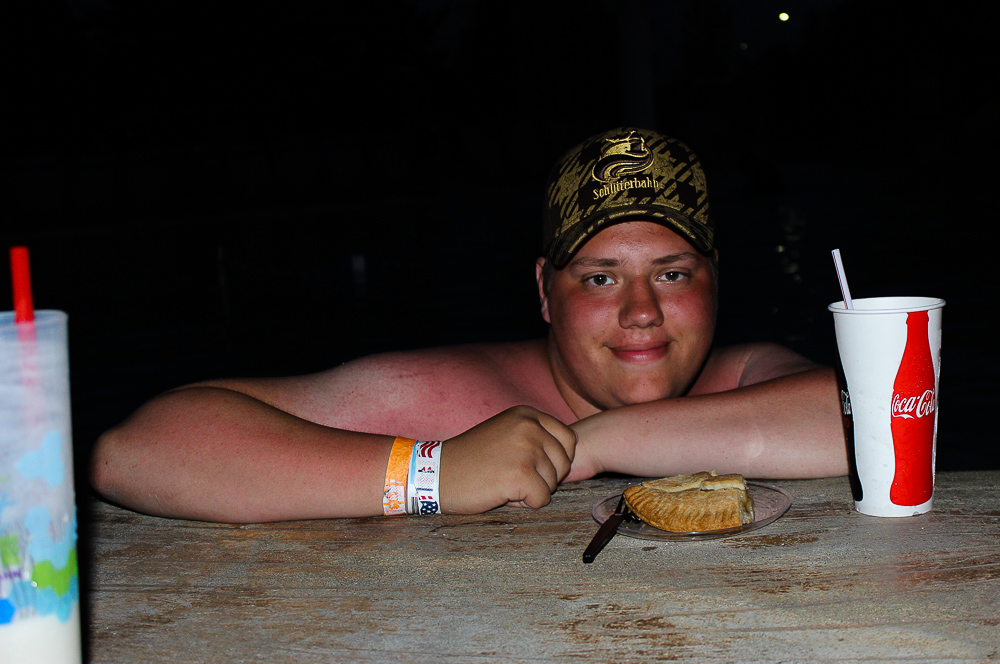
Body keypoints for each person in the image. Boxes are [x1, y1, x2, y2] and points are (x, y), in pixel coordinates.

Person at [89, 127, 847, 523]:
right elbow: (137, 453)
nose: (641, 311)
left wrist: (584, 446)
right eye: (600, 277)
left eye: (673, 273)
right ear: (545, 292)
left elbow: (865, 417)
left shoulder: (746, 376)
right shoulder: (454, 395)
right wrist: (436, 472)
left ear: (716, 284)